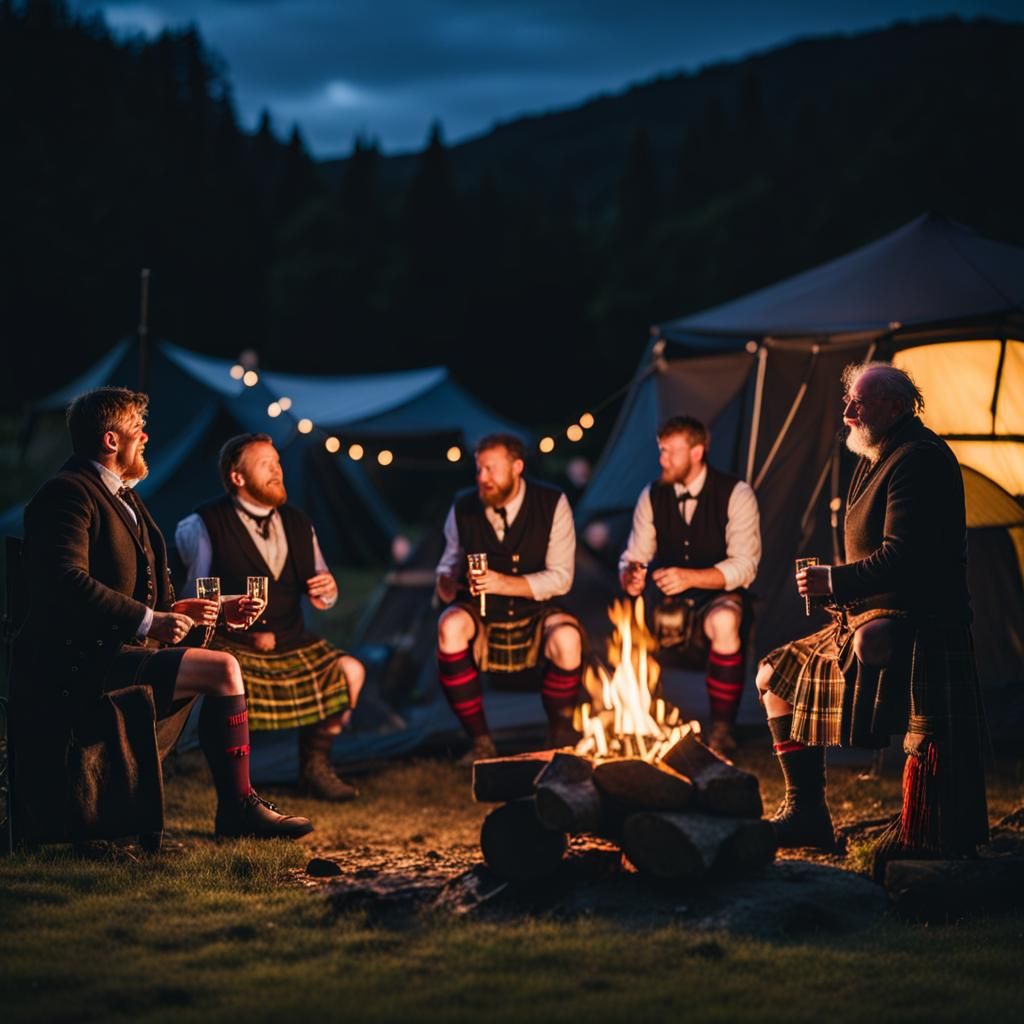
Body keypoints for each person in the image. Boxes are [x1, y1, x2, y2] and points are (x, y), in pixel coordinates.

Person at [12, 388, 312, 840]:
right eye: (138, 429)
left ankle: (236, 805)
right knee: (224, 668)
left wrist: (187, 610)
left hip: (117, 651)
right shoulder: (67, 494)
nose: (146, 437)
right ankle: (238, 808)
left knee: (219, 669)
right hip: (79, 664)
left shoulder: (126, 498)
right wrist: (150, 621)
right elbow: (65, 581)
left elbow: (139, 593)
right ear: (112, 440)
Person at [756, 362, 988, 865]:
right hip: (863, 614)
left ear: (896, 405)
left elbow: (904, 556)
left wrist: (834, 581)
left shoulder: (919, 458)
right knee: (772, 676)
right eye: (849, 402)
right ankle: (807, 812)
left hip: (920, 620)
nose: (847, 413)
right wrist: (841, 589)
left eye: (857, 404)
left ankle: (925, 827)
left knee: (874, 643)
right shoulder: (880, 452)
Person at [176, 434, 365, 802]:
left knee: (352, 671)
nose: (278, 471)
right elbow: (194, 596)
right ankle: (235, 788)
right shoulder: (202, 524)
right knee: (224, 683)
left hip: (292, 642)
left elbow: (325, 591)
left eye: (277, 463)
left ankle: (314, 768)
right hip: (234, 644)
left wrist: (327, 589)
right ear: (237, 477)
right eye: (266, 465)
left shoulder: (298, 523)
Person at [435, 433, 582, 764]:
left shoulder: (552, 502)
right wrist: (446, 580)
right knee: (450, 625)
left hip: (538, 609)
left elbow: (562, 578)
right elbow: (449, 560)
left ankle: (559, 737)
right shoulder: (464, 506)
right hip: (483, 612)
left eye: (491, 469)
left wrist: (503, 583)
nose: (482, 478)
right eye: (479, 469)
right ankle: (481, 742)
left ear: (517, 467)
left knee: (568, 639)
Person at [619, 416, 761, 755]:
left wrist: (691, 578)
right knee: (626, 623)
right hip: (665, 604)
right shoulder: (652, 495)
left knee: (725, 621)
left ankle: (722, 730)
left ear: (697, 452)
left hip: (717, 598)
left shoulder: (736, 493)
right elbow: (633, 555)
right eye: (661, 451)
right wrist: (631, 575)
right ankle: (639, 725)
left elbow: (745, 566)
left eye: (670, 452)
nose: (662, 460)